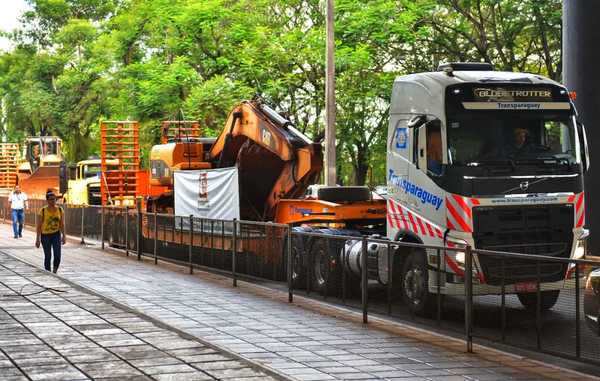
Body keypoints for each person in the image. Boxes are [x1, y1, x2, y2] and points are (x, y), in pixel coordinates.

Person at [35, 190, 66, 273]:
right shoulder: (42, 211)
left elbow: (62, 224)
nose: (53, 201)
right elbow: (38, 226)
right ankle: (48, 272)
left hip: (56, 234)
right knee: (48, 256)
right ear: (47, 200)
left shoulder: (60, 210)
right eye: (51, 199)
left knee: (57, 255)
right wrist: (37, 239)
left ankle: (55, 270)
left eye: (54, 199)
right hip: (45, 236)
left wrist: (64, 236)